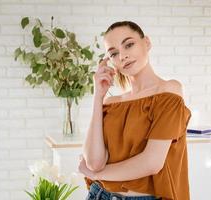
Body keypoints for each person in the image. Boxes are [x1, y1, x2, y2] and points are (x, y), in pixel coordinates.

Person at [78, 21, 192, 200]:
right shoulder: (111, 103)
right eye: (114, 53)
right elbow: (93, 163)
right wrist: (98, 97)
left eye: (129, 45)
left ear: (146, 43)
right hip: (99, 195)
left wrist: (97, 176)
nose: (122, 56)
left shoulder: (169, 91)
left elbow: (151, 163)